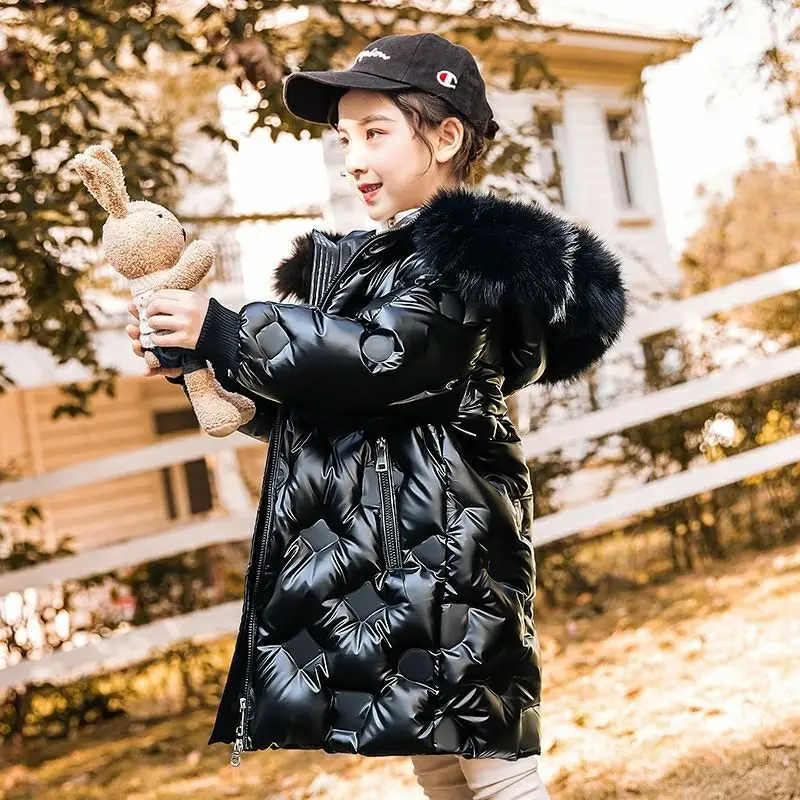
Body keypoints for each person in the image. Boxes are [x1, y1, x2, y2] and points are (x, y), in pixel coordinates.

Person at [126, 32, 628, 800]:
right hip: (392, 555)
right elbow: (338, 402)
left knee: (493, 762)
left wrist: (227, 329)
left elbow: (385, 359)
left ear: (446, 137)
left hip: (453, 555)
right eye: (344, 138)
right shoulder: (377, 264)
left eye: (375, 133)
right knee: (437, 757)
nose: (352, 158)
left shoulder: (465, 261)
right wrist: (216, 372)